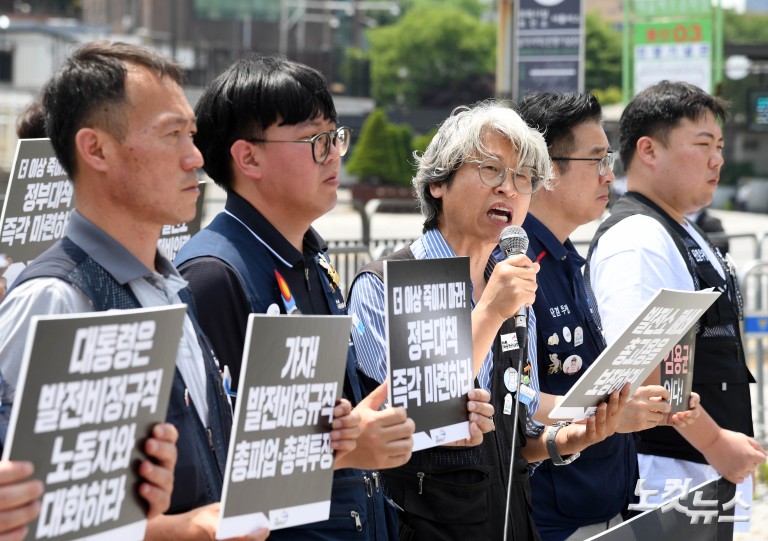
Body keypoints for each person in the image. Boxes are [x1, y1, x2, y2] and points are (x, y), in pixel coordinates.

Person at [0, 41, 267, 541]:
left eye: (193, 134)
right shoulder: (54, 301)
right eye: (172, 135)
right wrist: (182, 530)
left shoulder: (171, 289)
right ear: (95, 148)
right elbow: (34, 519)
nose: (196, 158)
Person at [347, 100, 629, 540]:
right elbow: (418, 416)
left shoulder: (511, 288)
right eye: (492, 171)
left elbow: (520, 421)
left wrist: (575, 437)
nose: (509, 190)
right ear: (439, 182)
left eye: (522, 179)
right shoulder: (387, 285)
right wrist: (490, 311)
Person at [175, 53, 429, 539]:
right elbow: (215, 463)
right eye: (316, 140)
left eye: (336, 137)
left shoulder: (313, 259)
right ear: (248, 157)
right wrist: (350, 449)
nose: (335, 154)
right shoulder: (213, 276)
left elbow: (332, 420)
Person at [517, 92, 704, 541]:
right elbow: (512, 395)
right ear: (545, 170)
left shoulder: (565, 258)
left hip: (601, 504)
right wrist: (607, 415)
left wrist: (643, 405)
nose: (610, 174)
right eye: (597, 159)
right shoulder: (514, 265)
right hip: (550, 514)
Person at [587, 81, 767, 518]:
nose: (718, 159)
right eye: (703, 144)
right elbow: (639, 367)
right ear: (648, 150)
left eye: (720, 145)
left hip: (698, 474)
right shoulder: (638, 238)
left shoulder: (680, 227)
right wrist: (714, 441)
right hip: (666, 476)